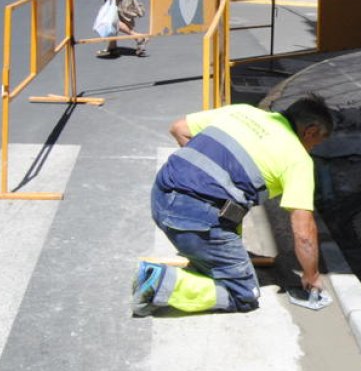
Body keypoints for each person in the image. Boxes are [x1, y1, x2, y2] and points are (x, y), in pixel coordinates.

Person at [131, 95, 335, 317]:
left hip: (161, 196)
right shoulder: (298, 160)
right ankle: (159, 282)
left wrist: (206, 176)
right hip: (193, 222)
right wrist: (312, 275)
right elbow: (304, 232)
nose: (314, 147)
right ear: (311, 131)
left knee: (228, 212)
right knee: (243, 295)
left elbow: (179, 128)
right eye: (318, 141)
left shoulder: (243, 111)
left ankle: (206, 257)